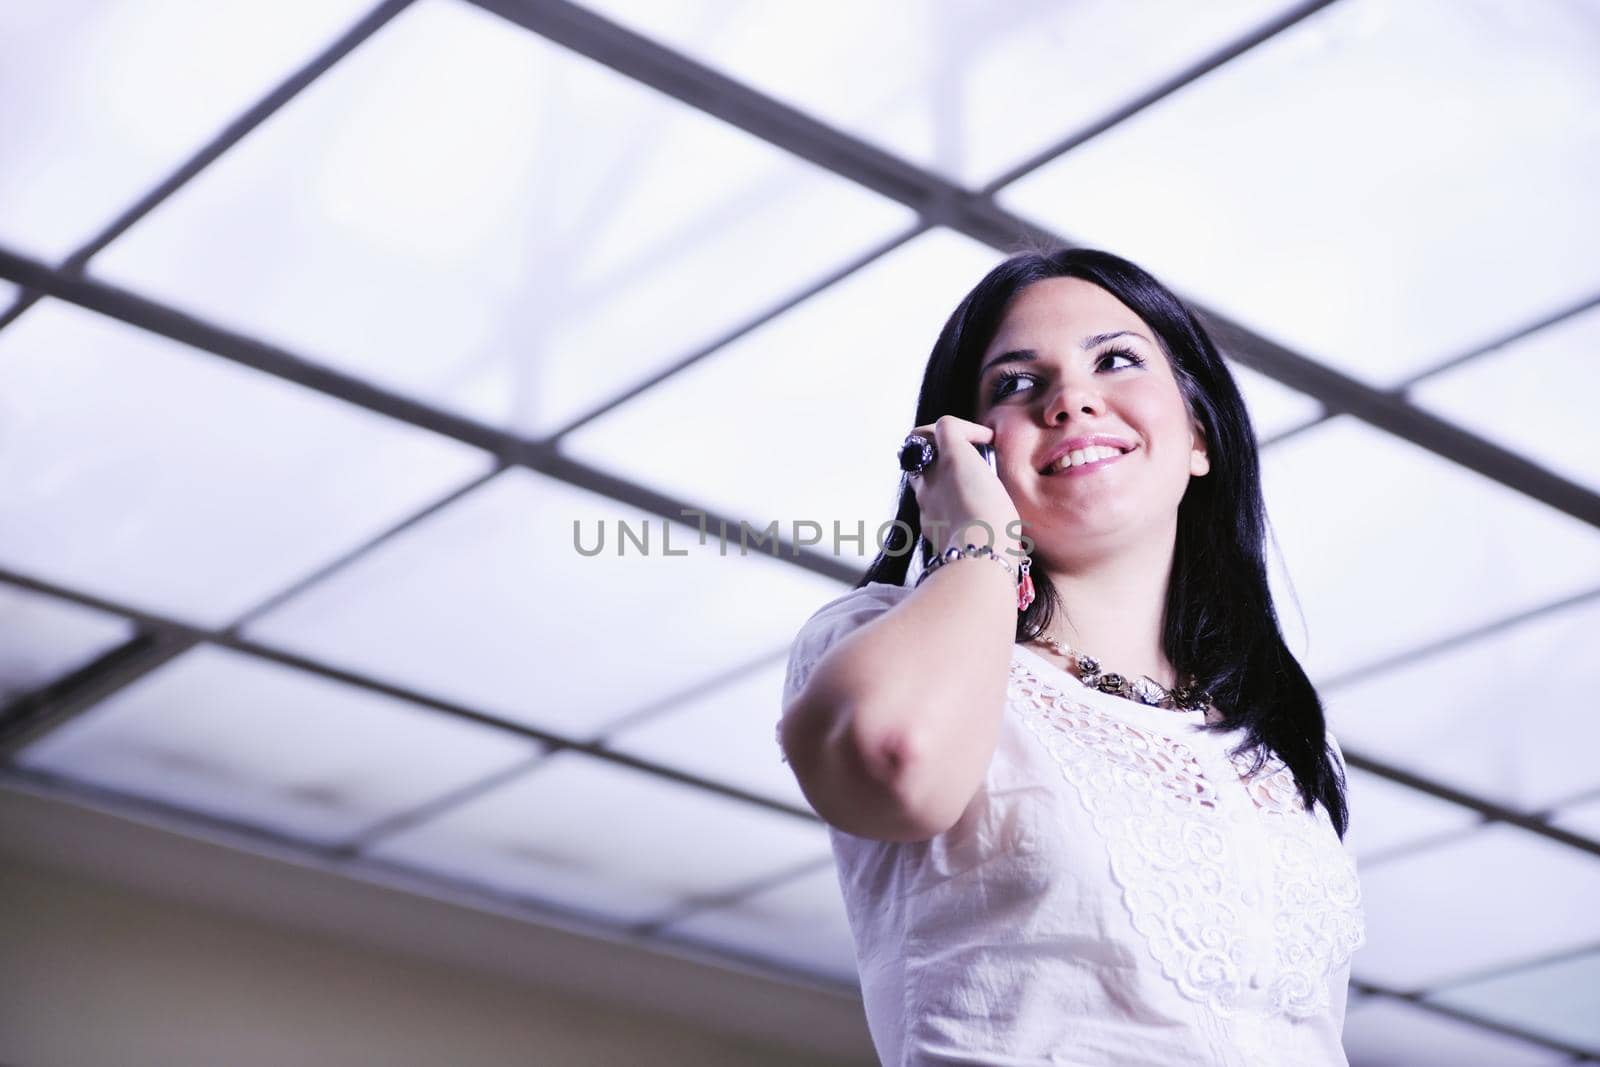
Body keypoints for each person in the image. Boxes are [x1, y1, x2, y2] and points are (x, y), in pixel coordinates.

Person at [777, 248, 1364, 1066]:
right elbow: (892, 759)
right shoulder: (876, 637)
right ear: (969, 454)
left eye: (1116, 360)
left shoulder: (1277, 739)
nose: (1073, 399)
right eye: (1017, 384)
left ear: (1199, 433)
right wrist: (977, 541)